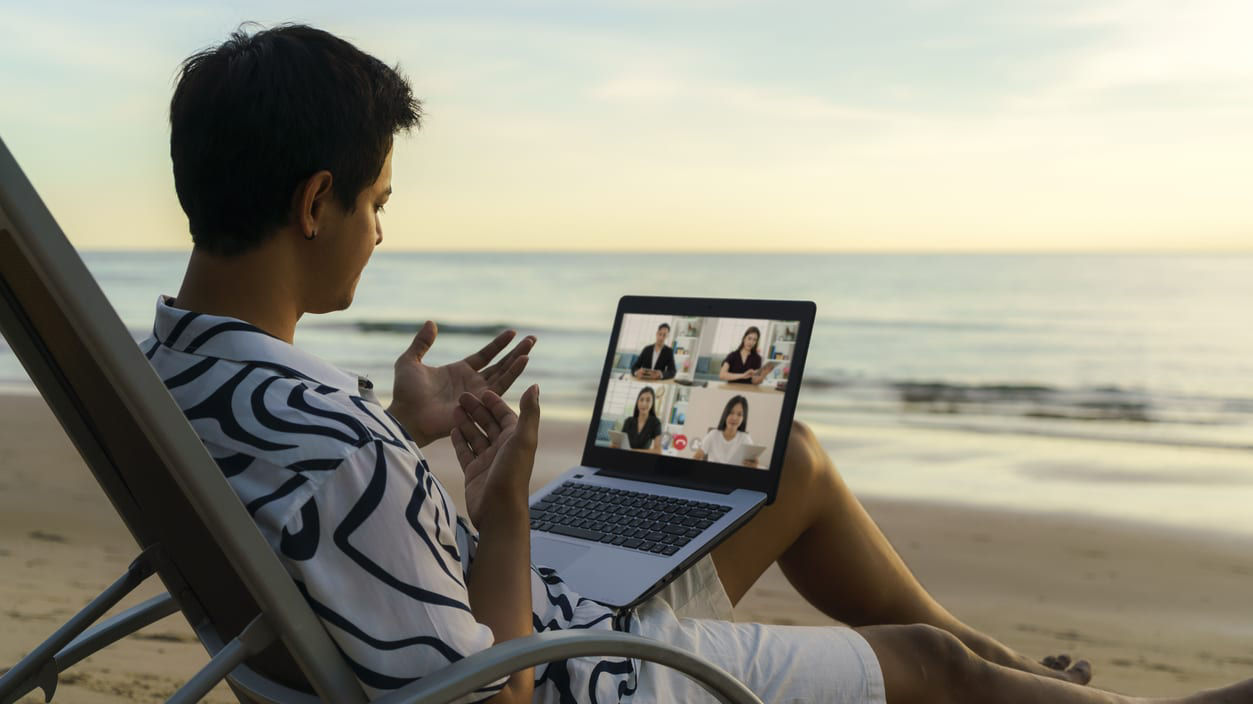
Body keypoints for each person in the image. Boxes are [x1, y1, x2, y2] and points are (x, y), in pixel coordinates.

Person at [144, 23, 1253, 704]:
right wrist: (503, 515)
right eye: (377, 203)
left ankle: (1003, 663)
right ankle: (1017, 682)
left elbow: (328, 511)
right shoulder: (335, 449)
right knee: (923, 661)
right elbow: (497, 694)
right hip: (565, 663)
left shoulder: (175, 371)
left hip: (520, 609)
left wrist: (405, 425)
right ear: (314, 201)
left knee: (787, 458)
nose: (380, 232)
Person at [691, 395, 757, 467]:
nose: (734, 418)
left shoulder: (745, 438)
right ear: (726, 413)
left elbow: (752, 464)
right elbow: (696, 457)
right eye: (731, 412)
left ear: (743, 418)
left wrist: (754, 466)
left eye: (739, 414)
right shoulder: (713, 434)